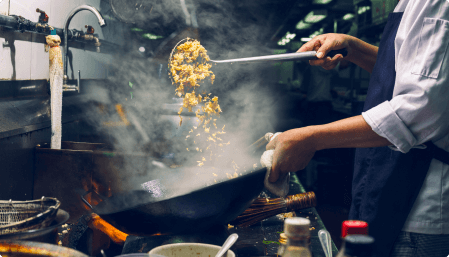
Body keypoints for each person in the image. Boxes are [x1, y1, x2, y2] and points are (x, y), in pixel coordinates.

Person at [266, 0, 449, 256]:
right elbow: (404, 72)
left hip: (420, 203)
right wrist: (353, 48)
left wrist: (312, 138)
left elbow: (420, 109)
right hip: (390, 180)